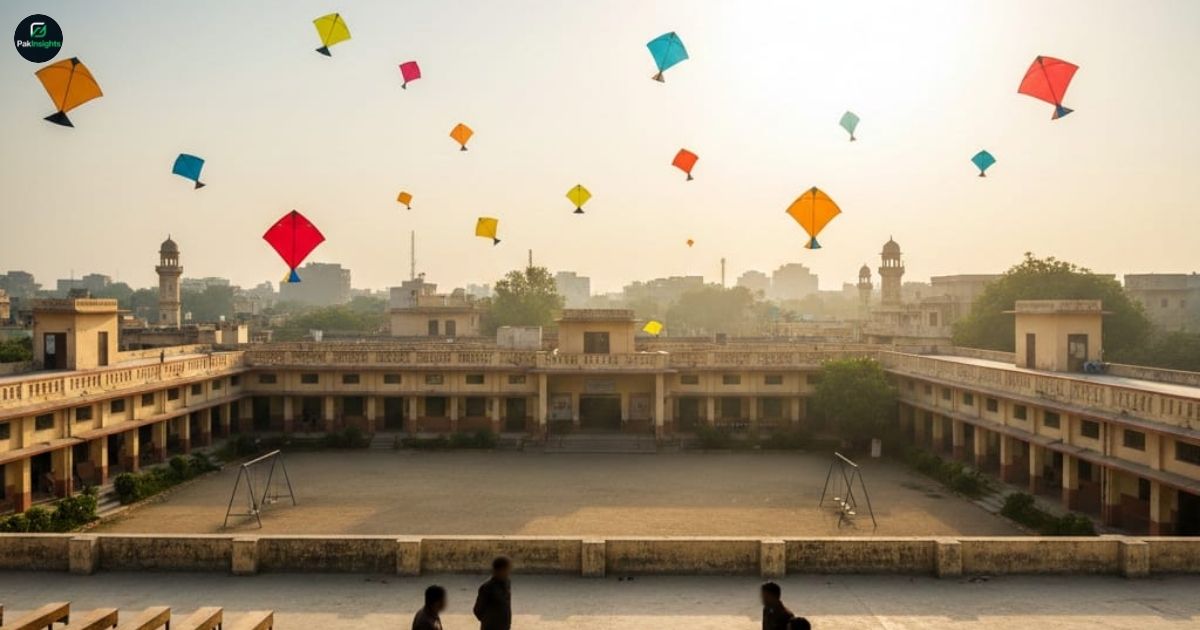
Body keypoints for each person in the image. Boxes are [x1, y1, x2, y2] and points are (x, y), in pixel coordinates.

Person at [473, 555, 512, 630]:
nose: (508, 572)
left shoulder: (507, 583)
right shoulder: (487, 588)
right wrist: (489, 621)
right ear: (498, 570)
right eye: (506, 569)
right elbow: (477, 610)